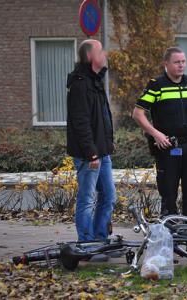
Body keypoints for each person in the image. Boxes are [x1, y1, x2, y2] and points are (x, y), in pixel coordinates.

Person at [132, 47, 187, 251]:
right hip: (169, 150)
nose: (181, 65)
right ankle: (169, 242)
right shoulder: (157, 86)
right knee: (168, 195)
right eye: (177, 62)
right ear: (166, 64)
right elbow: (138, 113)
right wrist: (155, 134)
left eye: (184, 61)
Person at [66, 39, 116, 242]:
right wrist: (91, 153)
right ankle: (85, 243)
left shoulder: (95, 81)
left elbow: (102, 118)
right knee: (87, 200)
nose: (104, 54)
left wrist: (107, 145)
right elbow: (81, 122)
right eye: (100, 51)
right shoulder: (80, 84)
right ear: (90, 56)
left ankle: (100, 239)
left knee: (108, 197)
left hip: (102, 153)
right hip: (91, 156)